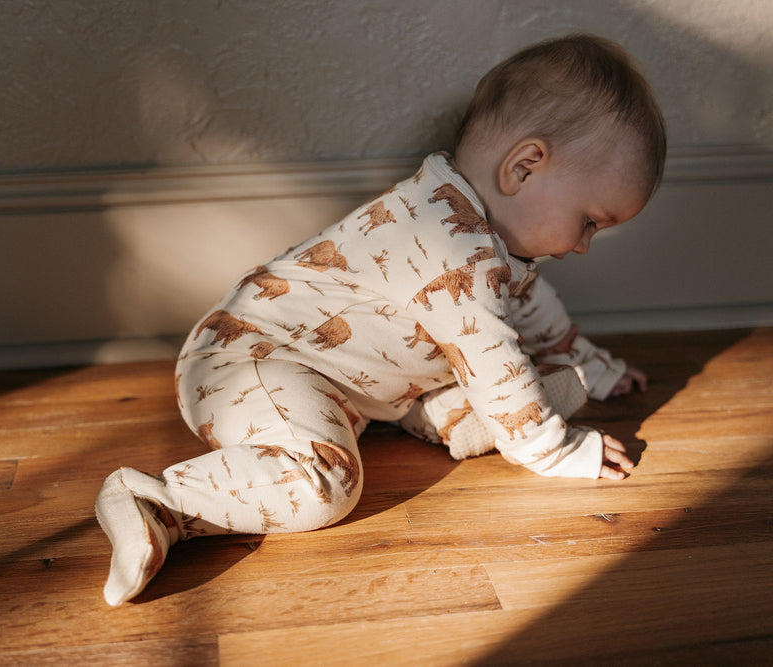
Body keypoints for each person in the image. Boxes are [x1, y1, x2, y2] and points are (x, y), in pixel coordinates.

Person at [95, 34, 667, 606]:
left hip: (340, 383)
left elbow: (530, 305)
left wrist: (591, 361)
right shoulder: (449, 244)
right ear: (524, 167)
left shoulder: (477, 231)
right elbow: (493, 353)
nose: (586, 245)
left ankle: (455, 414)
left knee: (476, 377)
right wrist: (553, 447)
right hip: (250, 360)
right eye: (589, 221)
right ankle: (156, 501)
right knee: (326, 483)